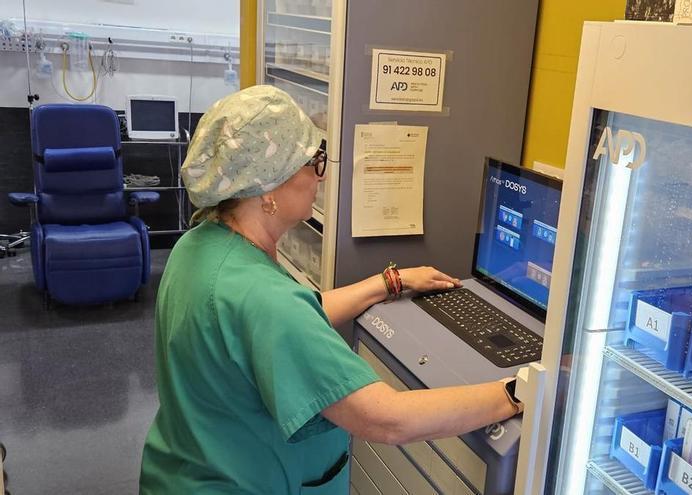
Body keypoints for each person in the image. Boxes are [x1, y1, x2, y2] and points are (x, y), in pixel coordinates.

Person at [139, 85, 523, 494]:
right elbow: (387, 419)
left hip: (185, 473)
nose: (320, 175)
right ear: (269, 189)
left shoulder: (199, 247)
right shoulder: (265, 300)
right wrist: (515, 394)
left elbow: (288, 317)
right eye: (314, 161)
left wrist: (387, 283)